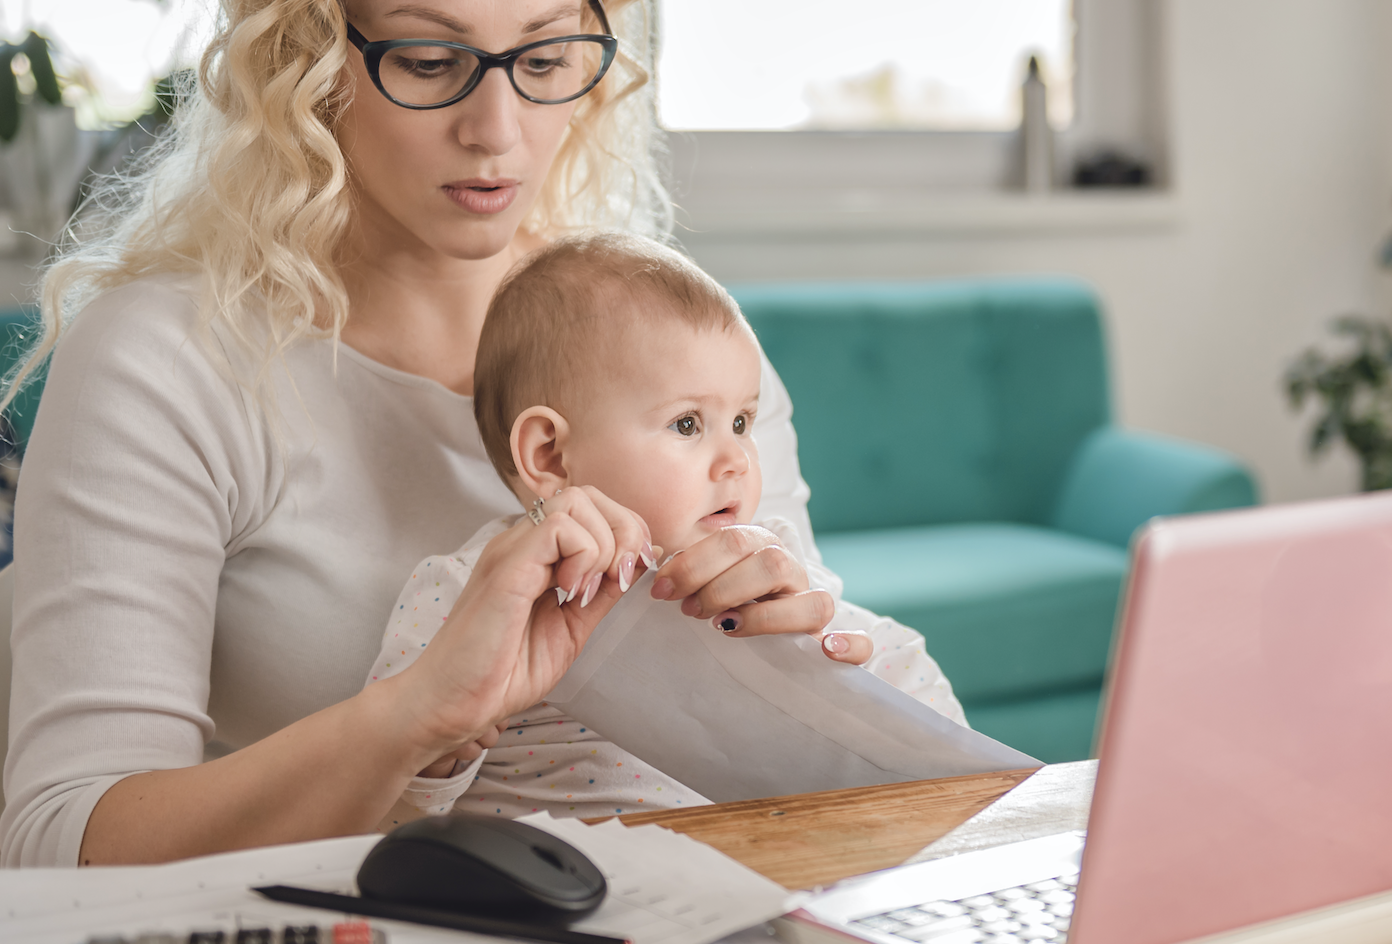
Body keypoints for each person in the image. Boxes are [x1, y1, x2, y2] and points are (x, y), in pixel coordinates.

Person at [0, 0, 866, 867]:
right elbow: (59, 848)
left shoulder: (668, 343)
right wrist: (416, 711)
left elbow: (799, 770)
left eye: (546, 55)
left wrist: (810, 669)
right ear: (311, 50)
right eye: (425, 57)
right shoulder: (169, 361)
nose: (497, 130)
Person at [371, 233, 964, 823]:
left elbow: (908, 672)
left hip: (767, 874)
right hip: (573, 893)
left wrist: (838, 677)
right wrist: (444, 744)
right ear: (550, 455)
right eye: (687, 424)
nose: (735, 458)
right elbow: (393, 795)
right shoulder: (467, 593)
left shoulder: (755, 569)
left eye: (740, 421)